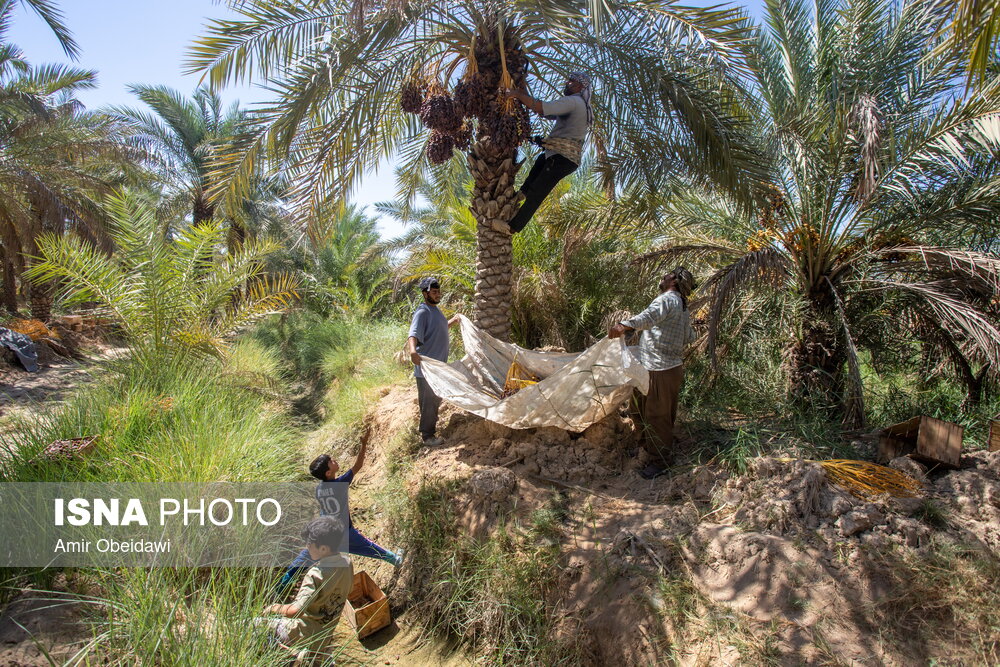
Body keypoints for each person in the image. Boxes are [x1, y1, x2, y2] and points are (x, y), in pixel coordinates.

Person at [276, 442, 402, 594]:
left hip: (324, 533)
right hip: (343, 532)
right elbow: (358, 466)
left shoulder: (319, 489)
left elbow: (324, 510)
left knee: (302, 560)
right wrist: (363, 444)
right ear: (328, 472)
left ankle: (281, 587)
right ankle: (396, 559)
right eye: (331, 461)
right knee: (369, 548)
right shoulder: (340, 483)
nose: (335, 460)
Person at [609, 268, 697, 480]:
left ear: (673, 281)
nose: (663, 276)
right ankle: (647, 449)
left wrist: (625, 325)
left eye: (666, 275)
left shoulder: (667, 299)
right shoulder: (683, 306)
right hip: (662, 368)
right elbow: (689, 337)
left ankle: (661, 461)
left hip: (660, 369)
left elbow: (648, 317)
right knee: (639, 409)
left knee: (657, 417)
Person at [504, 71, 593, 234]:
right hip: (558, 157)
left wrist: (516, 94)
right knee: (539, 163)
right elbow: (542, 111)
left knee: (537, 193)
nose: (567, 83)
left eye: (571, 81)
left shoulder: (574, 101)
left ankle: (511, 227)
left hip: (562, 158)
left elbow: (541, 107)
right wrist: (523, 94)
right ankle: (519, 196)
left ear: (581, 87)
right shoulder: (580, 105)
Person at [262, 515, 353, 651]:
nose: (307, 547)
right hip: (325, 635)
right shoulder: (347, 562)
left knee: (252, 626)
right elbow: (349, 589)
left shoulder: (315, 574)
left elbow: (295, 611)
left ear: (323, 549)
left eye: (309, 545)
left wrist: (274, 607)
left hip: (303, 634)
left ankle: (291, 656)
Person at [407, 276, 460, 446]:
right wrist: (413, 351)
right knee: (429, 401)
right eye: (434, 292)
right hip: (427, 368)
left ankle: (429, 429)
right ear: (425, 294)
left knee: (434, 399)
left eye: (438, 292)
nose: (438, 295)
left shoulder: (436, 312)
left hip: (438, 368)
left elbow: (441, 327)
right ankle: (428, 436)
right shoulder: (423, 312)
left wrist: (454, 321)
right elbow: (413, 333)